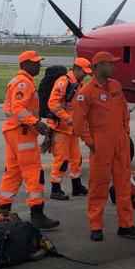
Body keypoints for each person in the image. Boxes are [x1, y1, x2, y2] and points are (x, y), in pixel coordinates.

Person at [72, 51, 135, 242]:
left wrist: (125, 132)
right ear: (98, 67)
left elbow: (124, 111)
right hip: (101, 144)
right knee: (98, 186)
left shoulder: (116, 86)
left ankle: (126, 225)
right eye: (110, 64)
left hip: (120, 142)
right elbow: (78, 123)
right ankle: (96, 226)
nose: (114, 67)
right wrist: (91, 142)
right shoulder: (86, 92)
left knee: (124, 184)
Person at [0, 50, 60, 230]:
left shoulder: (21, 81)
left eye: (39, 62)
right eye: (35, 62)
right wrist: (37, 123)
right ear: (25, 65)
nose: (39, 65)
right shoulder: (24, 83)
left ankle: (4, 211)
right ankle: (37, 214)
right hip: (21, 133)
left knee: (13, 171)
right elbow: (18, 108)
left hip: (14, 132)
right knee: (33, 172)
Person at [48, 57, 92, 201]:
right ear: (76, 69)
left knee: (76, 159)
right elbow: (53, 104)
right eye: (84, 72)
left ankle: (77, 186)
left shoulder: (79, 83)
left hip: (72, 129)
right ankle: (55, 188)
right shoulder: (64, 82)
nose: (85, 74)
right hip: (61, 128)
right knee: (61, 159)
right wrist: (68, 118)